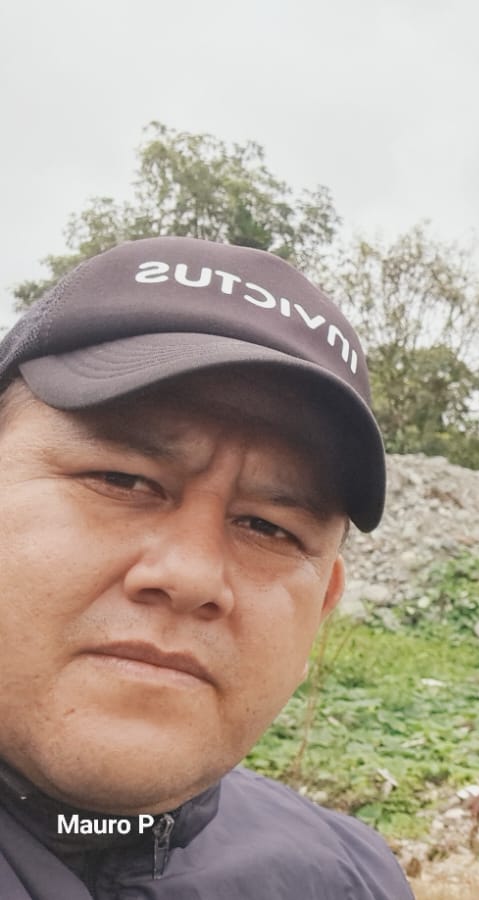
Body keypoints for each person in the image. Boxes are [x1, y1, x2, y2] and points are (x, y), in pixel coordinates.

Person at [0, 237, 413, 898]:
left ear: (322, 607)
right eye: (121, 480)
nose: (192, 576)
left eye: (268, 527)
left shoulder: (352, 878)